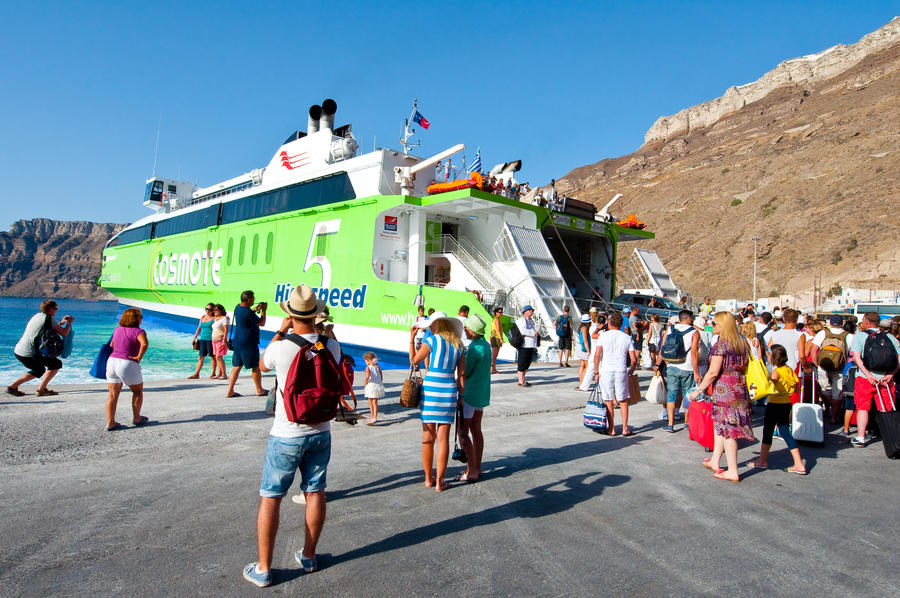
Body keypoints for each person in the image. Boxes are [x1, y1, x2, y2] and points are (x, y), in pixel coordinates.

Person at [242, 284, 338, 587]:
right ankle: (309, 556)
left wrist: (281, 331)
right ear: (316, 314)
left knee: (271, 498)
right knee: (315, 491)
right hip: (321, 430)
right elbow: (333, 356)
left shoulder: (281, 347)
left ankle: (263, 568)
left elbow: (261, 365)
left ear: (291, 314)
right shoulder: (330, 346)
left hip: (286, 433)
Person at [689, 312, 755, 483]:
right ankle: (715, 461)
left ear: (723, 326)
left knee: (728, 431)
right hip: (739, 387)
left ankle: (733, 470)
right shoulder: (742, 343)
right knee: (721, 426)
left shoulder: (721, 345)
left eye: (715, 323)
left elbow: (713, 372)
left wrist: (698, 390)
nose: (712, 326)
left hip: (725, 390)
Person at [410, 311, 466, 492]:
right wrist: (461, 397)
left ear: (436, 325)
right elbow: (461, 375)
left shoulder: (432, 340)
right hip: (448, 390)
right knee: (443, 439)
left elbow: (414, 361)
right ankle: (440, 482)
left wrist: (411, 340)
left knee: (427, 437)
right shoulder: (459, 344)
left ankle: (428, 479)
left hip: (431, 389)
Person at [752, 344, 806, 474]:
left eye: (770, 355)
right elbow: (796, 388)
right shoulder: (789, 370)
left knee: (767, 431)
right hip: (786, 404)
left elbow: (767, 386)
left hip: (774, 405)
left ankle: (762, 460)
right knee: (785, 432)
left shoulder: (776, 373)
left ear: (774, 358)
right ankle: (798, 463)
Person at [849, 313, 900, 447]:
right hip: (885, 379)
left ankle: (860, 437)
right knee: (886, 408)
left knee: (863, 408)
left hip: (865, 378)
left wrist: (868, 375)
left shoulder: (860, 336)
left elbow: (856, 358)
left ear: (866, 322)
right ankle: (890, 437)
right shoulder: (889, 337)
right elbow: (899, 359)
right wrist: (890, 374)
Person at [8, 299, 75, 397]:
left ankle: (14, 387)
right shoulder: (49, 318)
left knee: (40, 369)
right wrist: (69, 323)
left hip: (20, 350)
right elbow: (64, 333)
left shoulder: (37, 316)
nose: (56, 310)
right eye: (55, 308)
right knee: (55, 364)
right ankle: (39, 390)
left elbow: (47, 328)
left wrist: (61, 323)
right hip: (30, 353)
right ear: (50, 309)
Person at [656, 310, 702, 433]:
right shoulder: (694, 332)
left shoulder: (670, 329)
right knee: (687, 395)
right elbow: (694, 353)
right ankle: (687, 423)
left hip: (672, 366)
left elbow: (663, 349)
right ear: (689, 319)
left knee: (671, 395)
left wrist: (666, 364)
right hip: (687, 368)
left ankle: (670, 424)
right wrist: (696, 372)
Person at [104, 308, 149, 431]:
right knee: (137, 391)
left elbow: (112, 345)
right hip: (127, 363)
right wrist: (139, 356)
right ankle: (137, 418)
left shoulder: (117, 329)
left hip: (112, 362)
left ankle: (110, 423)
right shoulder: (139, 331)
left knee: (112, 395)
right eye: (140, 317)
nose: (141, 319)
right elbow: (144, 344)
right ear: (136, 319)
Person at [458, 313, 491, 482]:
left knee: (463, 432)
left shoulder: (473, 349)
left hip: (469, 395)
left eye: (466, 328)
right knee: (476, 431)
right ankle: (477, 467)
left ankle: (470, 470)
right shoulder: (485, 345)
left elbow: (466, 372)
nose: (464, 330)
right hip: (481, 393)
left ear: (472, 330)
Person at [595, 312, 638, 436]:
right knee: (623, 400)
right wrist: (632, 369)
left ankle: (612, 429)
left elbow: (597, 355)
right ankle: (625, 428)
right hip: (621, 370)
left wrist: (596, 371)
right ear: (620, 324)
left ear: (609, 323)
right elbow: (633, 359)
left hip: (606, 370)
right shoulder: (627, 337)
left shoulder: (603, 336)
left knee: (608, 399)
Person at [806, 315, 849, 424]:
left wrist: (816, 364)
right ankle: (834, 416)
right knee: (837, 393)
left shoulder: (823, 333)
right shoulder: (847, 336)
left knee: (825, 390)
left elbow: (814, 349)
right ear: (842, 323)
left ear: (830, 323)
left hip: (823, 366)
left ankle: (829, 409)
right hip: (840, 368)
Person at [226, 290, 268, 398]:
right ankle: (259, 390)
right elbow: (262, 323)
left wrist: (254, 310)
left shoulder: (238, 307)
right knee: (255, 366)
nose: (254, 301)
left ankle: (230, 391)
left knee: (236, 366)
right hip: (249, 343)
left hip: (238, 341)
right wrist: (263, 311)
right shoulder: (248, 312)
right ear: (249, 300)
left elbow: (246, 316)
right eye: (253, 299)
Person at [189, 303, 217, 379]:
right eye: (206, 309)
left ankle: (213, 373)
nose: (207, 311)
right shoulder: (203, 317)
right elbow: (199, 328)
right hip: (203, 339)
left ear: (213, 310)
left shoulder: (214, 318)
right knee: (201, 357)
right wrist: (194, 337)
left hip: (211, 340)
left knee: (212, 357)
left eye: (210, 309)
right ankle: (197, 374)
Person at [516, 305, 539, 387]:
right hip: (524, 345)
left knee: (527, 363)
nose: (532, 311)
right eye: (530, 310)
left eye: (532, 310)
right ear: (525, 312)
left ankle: (523, 379)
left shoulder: (531, 321)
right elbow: (522, 331)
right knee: (522, 363)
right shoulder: (522, 320)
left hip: (530, 345)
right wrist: (533, 333)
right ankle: (520, 381)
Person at [363, 351, 384, 425]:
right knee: (375, 402)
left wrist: (365, 382)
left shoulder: (368, 368)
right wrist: (380, 380)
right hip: (377, 386)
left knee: (371, 402)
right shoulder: (377, 366)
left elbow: (367, 376)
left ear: (368, 360)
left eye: (365, 361)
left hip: (371, 386)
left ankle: (373, 417)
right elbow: (381, 374)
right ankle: (374, 417)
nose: (365, 362)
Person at [210, 304, 229, 380]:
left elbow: (226, 330)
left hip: (220, 340)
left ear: (221, 310)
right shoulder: (216, 319)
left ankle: (224, 374)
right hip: (214, 340)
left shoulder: (224, 318)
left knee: (219, 356)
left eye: (216, 310)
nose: (214, 311)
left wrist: (224, 340)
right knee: (217, 357)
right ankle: (219, 373)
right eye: (214, 310)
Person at [574, 313, 592, 387]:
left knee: (582, 365)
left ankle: (581, 382)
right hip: (584, 348)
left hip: (580, 347)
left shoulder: (581, 327)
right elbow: (585, 340)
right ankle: (582, 383)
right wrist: (588, 350)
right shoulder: (585, 328)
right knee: (587, 367)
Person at [489, 306, 504, 374]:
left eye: (502, 312)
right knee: (494, 355)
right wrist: (501, 339)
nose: (501, 314)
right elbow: (498, 330)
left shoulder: (493, 319)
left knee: (493, 355)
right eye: (500, 312)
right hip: (496, 338)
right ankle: (493, 369)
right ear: (496, 313)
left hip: (493, 338)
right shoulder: (497, 320)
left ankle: (493, 369)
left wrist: (490, 338)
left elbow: (491, 330)